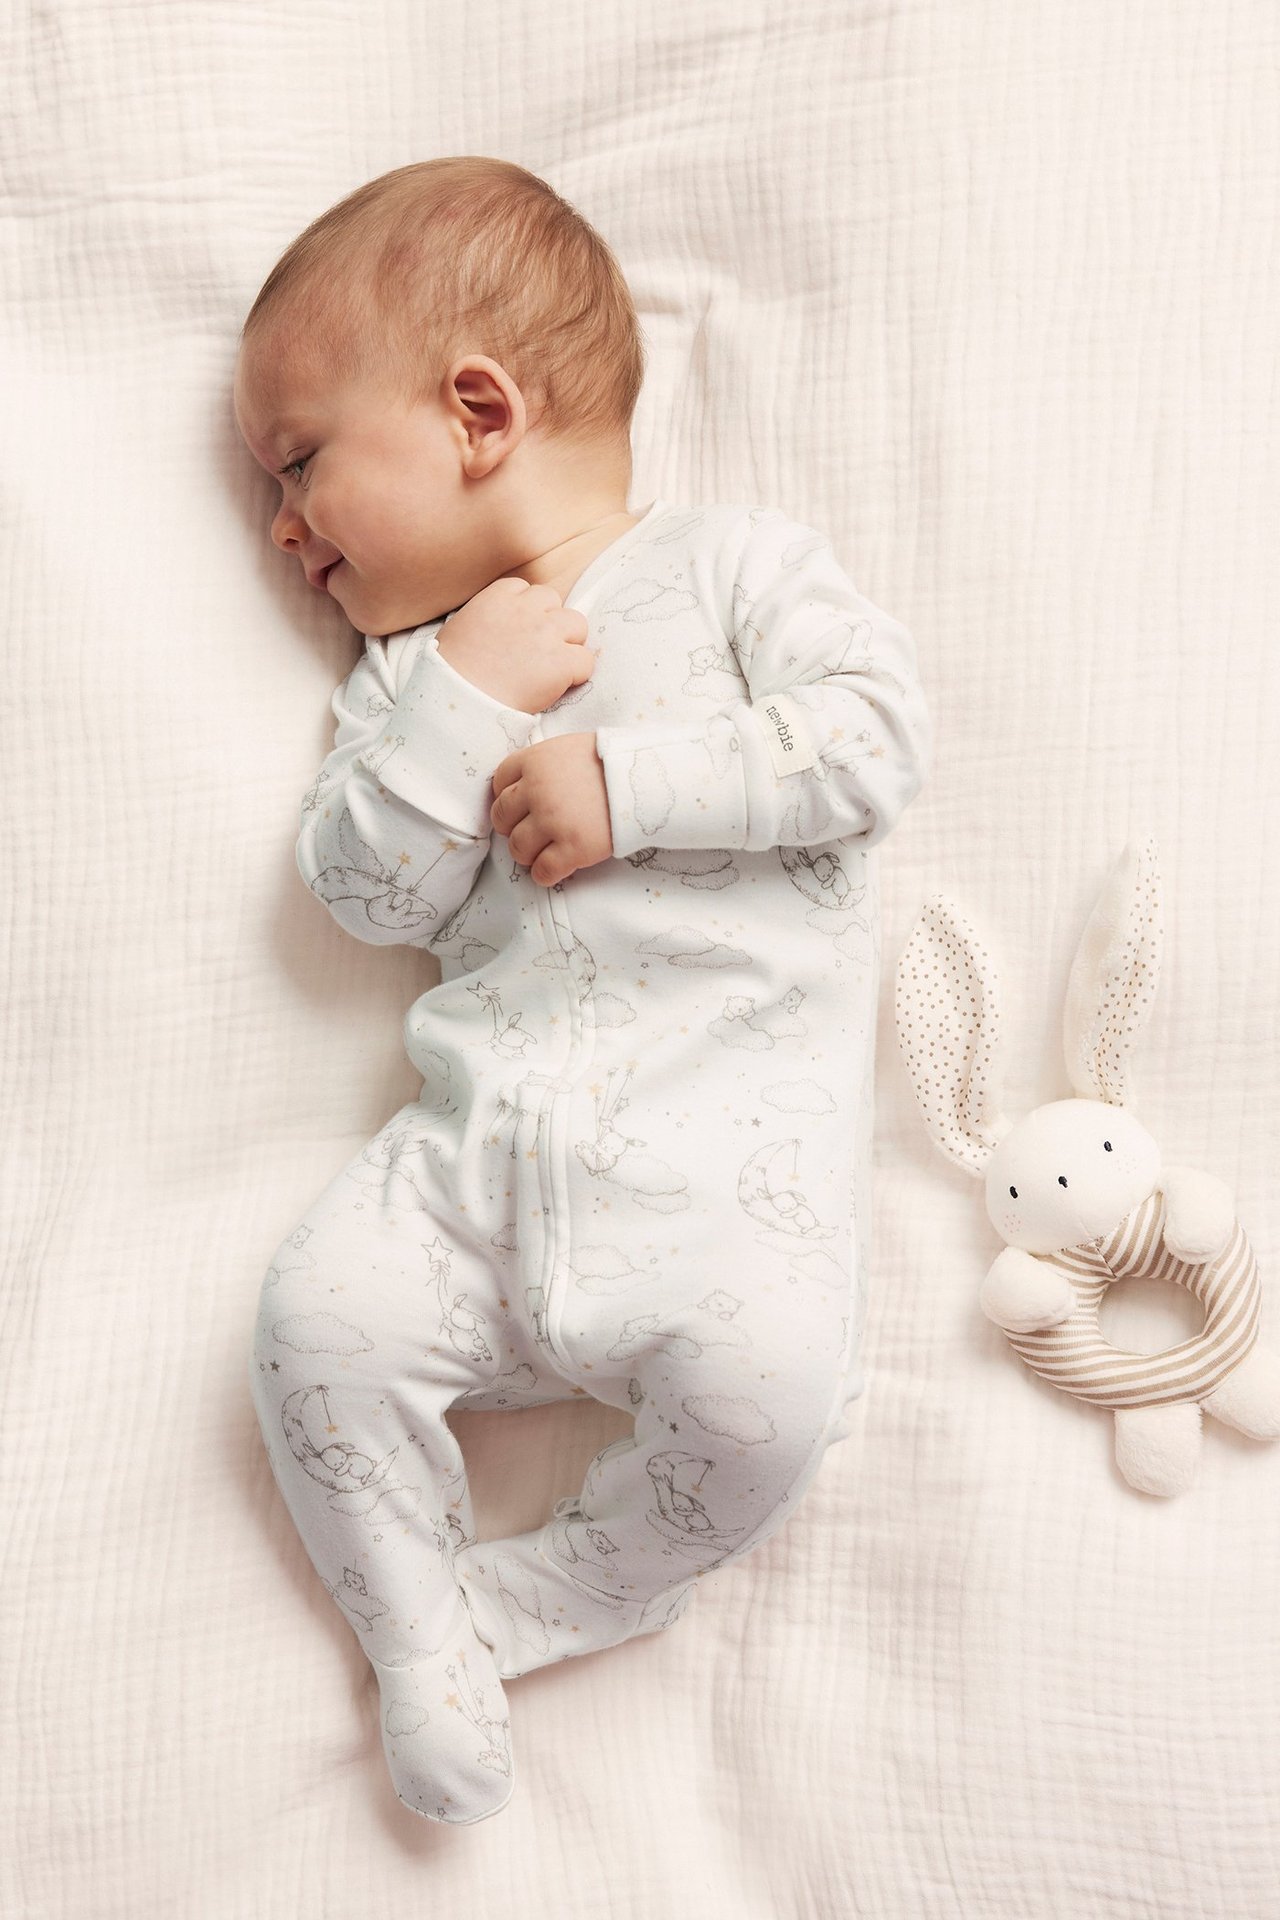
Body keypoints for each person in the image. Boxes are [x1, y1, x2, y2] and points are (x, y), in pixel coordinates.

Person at [235, 155, 932, 1828]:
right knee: (313, 1326)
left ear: (478, 410)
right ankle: (413, 1627)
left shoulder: (733, 571)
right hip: (480, 1174)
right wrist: (462, 710)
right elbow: (366, 888)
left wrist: (640, 784)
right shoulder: (408, 678)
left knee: (766, 1419)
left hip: (724, 1183)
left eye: (301, 463)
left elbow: (876, 737)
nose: (279, 528)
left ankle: (528, 1604)